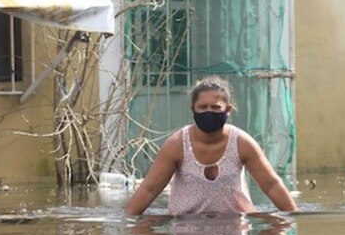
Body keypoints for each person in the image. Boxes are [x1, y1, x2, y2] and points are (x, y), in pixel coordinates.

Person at [125, 77, 297, 215]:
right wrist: (128, 223)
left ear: (228, 110)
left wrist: (293, 219)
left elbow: (271, 185)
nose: (209, 112)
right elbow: (149, 189)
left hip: (235, 228)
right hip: (187, 229)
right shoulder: (177, 145)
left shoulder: (242, 143)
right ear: (193, 109)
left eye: (216, 107)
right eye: (203, 107)